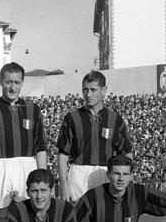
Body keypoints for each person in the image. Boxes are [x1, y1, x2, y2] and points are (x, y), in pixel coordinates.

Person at [0, 62, 47, 221]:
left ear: (22, 82)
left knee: (31, 217)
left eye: (17, 82)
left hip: (27, 167)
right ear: (0, 81)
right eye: (8, 82)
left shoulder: (33, 109)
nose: (13, 87)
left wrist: (44, 179)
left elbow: (40, 148)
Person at [57, 71, 133, 203]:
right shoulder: (72, 118)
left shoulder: (115, 119)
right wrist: (64, 185)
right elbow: (63, 154)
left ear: (104, 90)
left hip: (105, 173)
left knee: (104, 213)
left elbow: (126, 153)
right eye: (85, 90)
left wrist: (128, 181)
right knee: (76, 213)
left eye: (93, 90)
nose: (88, 94)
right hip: (78, 174)